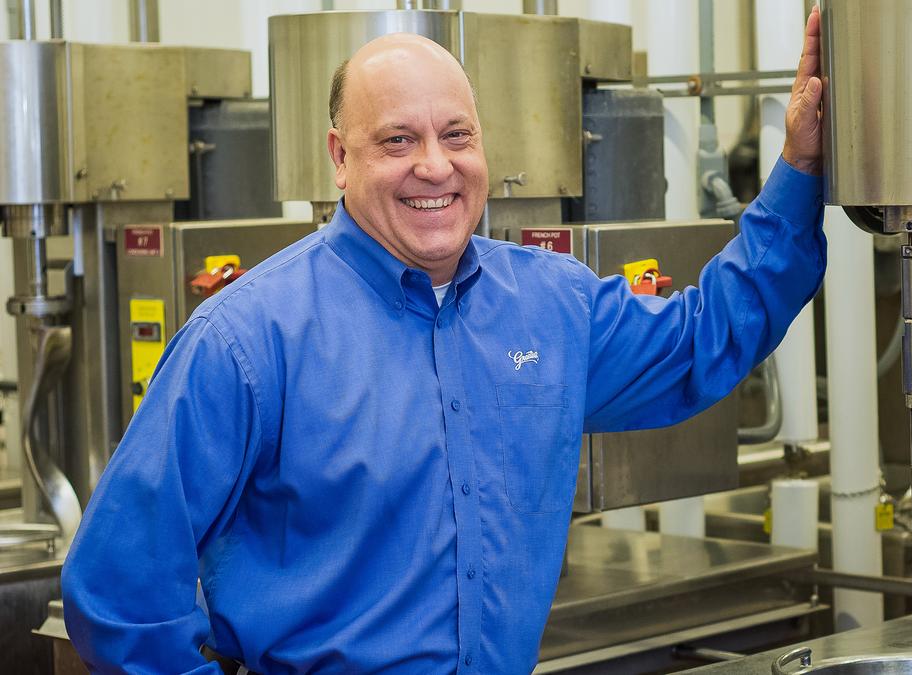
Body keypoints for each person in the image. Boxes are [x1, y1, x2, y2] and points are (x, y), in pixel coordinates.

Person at [62, 6, 826, 674]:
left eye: (456, 134)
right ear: (338, 158)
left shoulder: (552, 306)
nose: (436, 165)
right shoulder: (246, 341)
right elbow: (117, 589)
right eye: (397, 139)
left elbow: (707, 338)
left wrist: (796, 166)